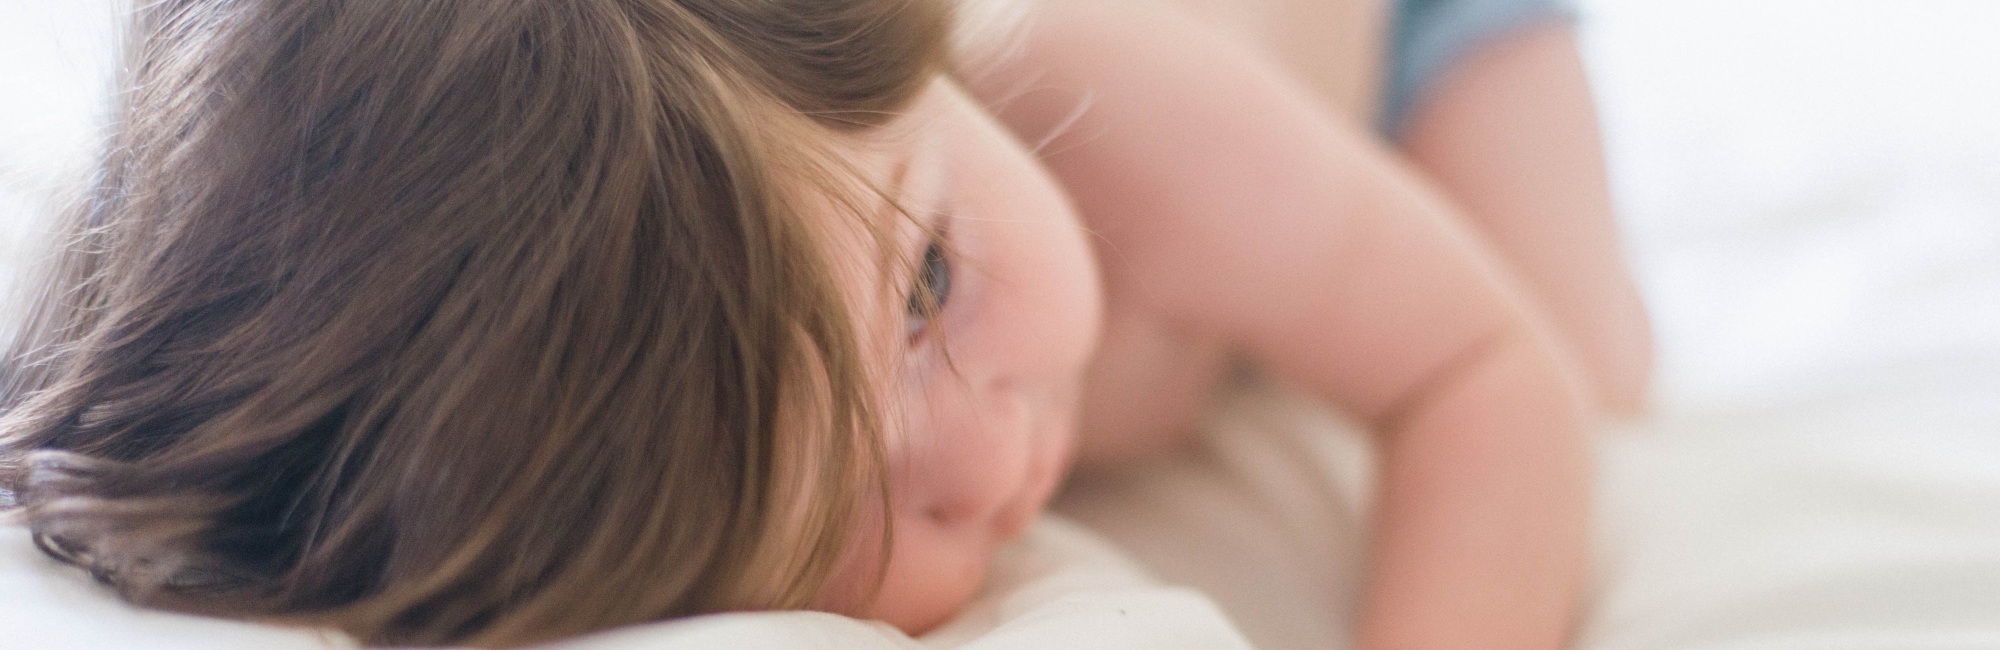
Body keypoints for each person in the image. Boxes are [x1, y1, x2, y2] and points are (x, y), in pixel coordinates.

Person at [0, 1, 1640, 649]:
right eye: (841, 516)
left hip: (1403, 27)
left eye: (931, 280)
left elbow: (1482, 378)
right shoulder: (615, 414)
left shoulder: (1100, 96)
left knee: (1602, 369)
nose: (995, 453)